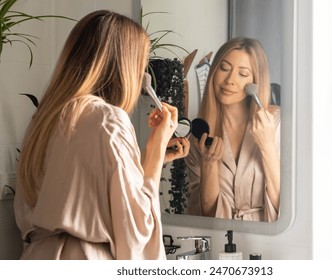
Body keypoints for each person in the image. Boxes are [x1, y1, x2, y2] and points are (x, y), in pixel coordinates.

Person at [13, 10, 189, 260]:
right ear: (125, 67)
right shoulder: (109, 119)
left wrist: (149, 158)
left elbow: (87, 195)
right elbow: (136, 233)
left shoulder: (42, 120)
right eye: (141, 63)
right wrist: (157, 147)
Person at [185, 37, 280, 222]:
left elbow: (287, 206)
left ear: (255, 81)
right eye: (224, 68)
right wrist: (209, 164)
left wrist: (267, 145)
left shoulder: (275, 124)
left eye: (243, 74)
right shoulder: (197, 138)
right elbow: (206, 216)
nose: (230, 80)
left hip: (269, 239)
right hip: (223, 241)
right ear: (214, 71)